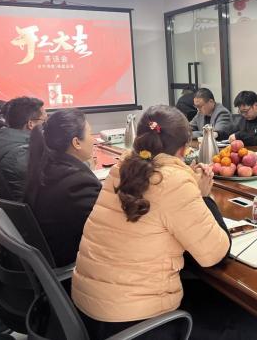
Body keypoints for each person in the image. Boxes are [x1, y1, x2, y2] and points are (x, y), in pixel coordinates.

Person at [72, 105, 232, 339]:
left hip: (88, 310)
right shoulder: (173, 182)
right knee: (246, 318)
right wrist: (204, 197)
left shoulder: (120, 169)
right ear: (184, 148)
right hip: (133, 324)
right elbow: (215, 254)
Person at [24, 109, 101, 267]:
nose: (94, 140)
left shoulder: (46, 168)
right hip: (75, 261)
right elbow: (105, 229)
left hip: (52, 251)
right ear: (76, 142)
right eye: (90, 134)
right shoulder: (78, 184)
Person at [0, 97, 46, 200]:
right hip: (26, 205)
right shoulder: (20, 154)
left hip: (7, 202)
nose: (45, 126)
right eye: (44, 121)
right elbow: (46, 180)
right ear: (31, 124)